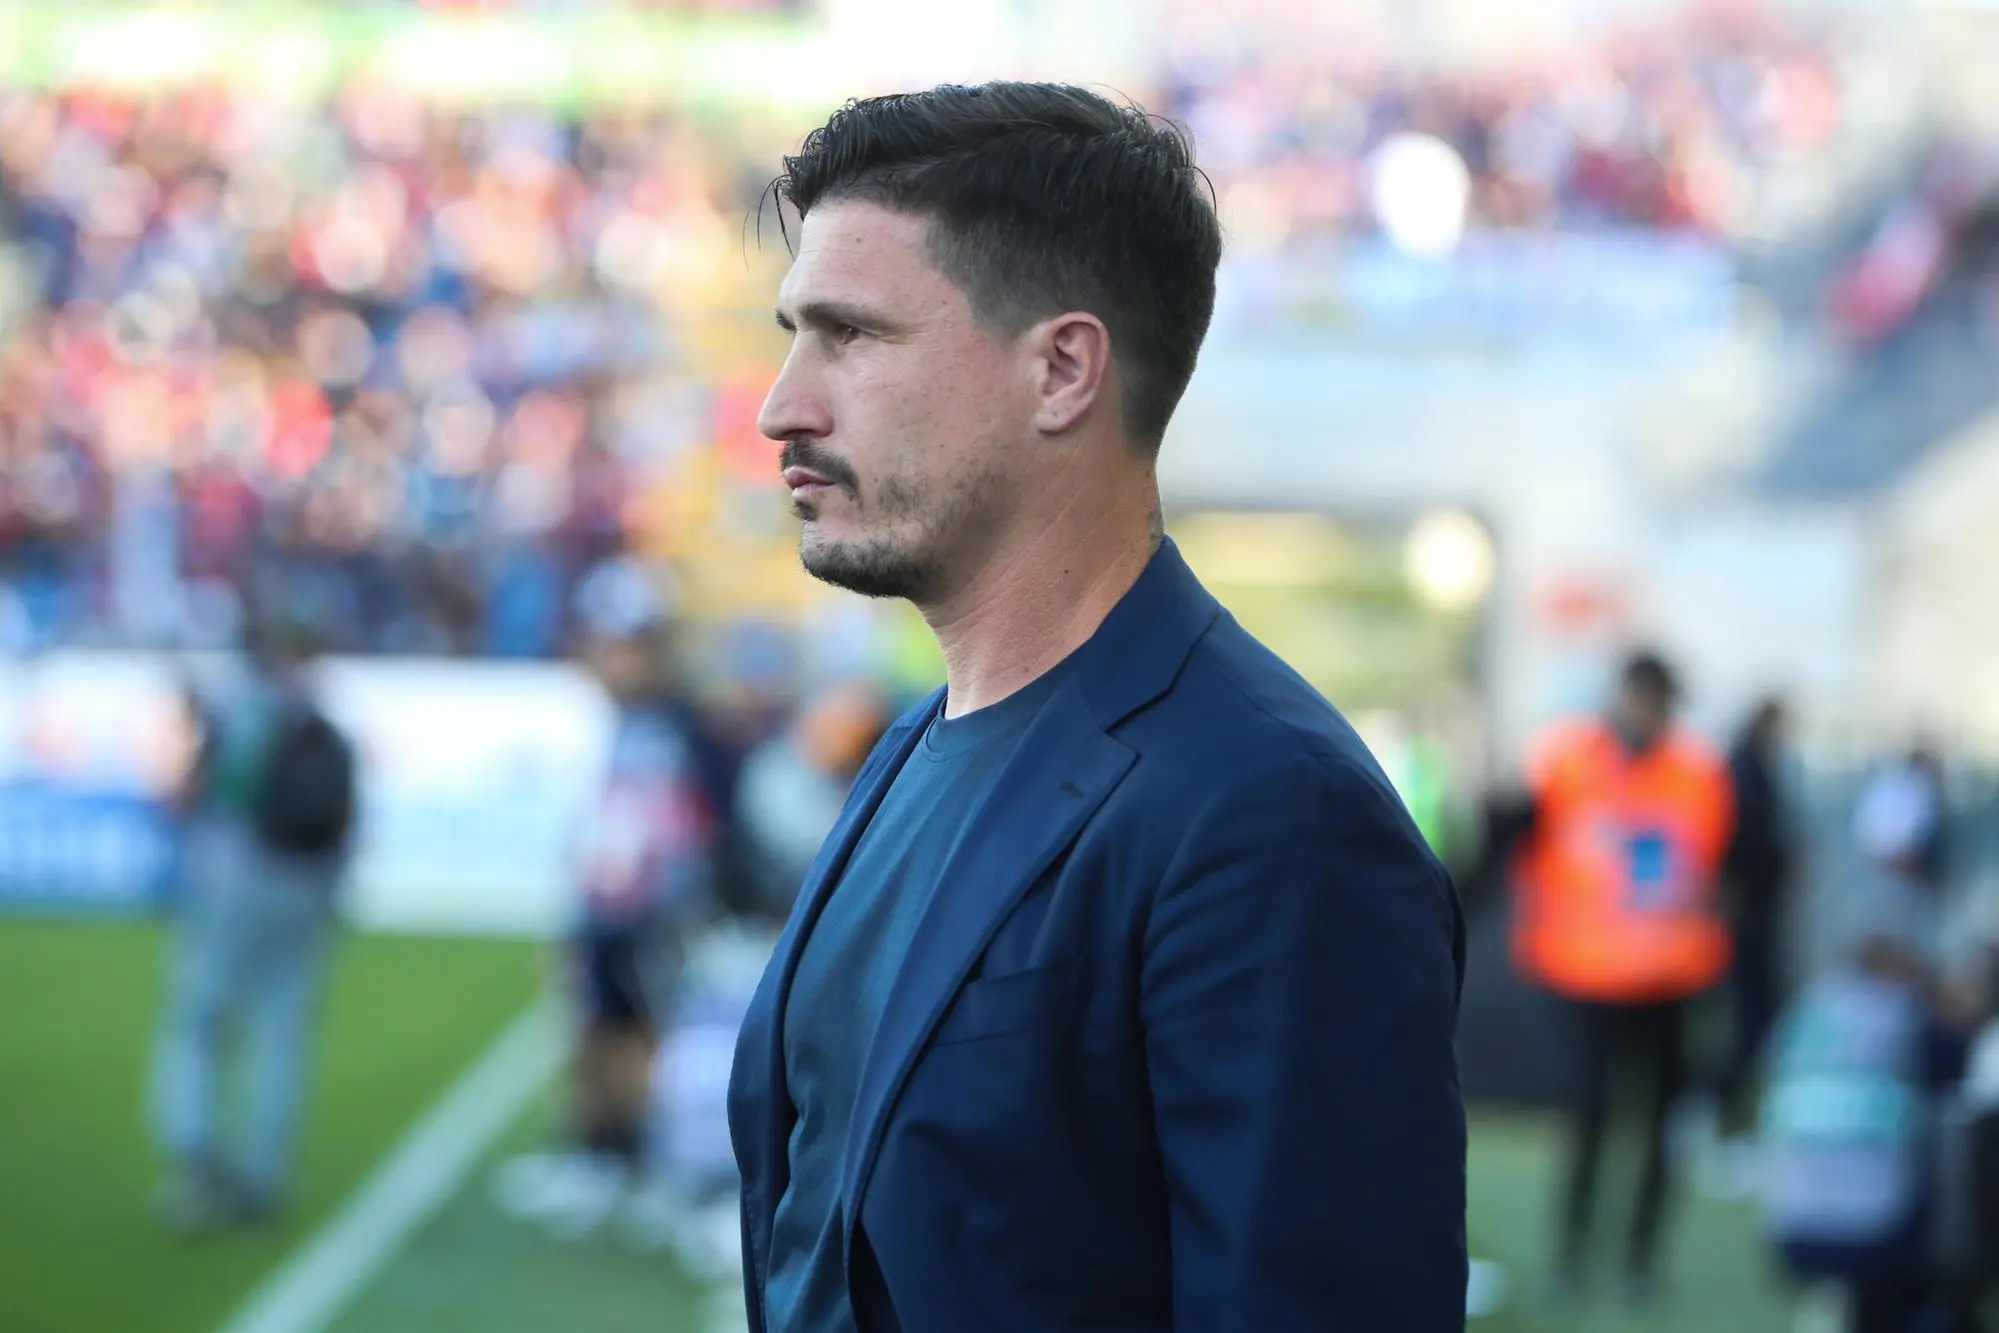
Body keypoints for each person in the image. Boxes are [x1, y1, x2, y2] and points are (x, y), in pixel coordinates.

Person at [726, 83, 1466, 1333]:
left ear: (1063, 369)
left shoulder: (1267, 815)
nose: (783, 404)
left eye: (849, 336)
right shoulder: (911, 745)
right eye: (793, 331)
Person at [1498, 650, 1735, 1307]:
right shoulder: (1566, 760)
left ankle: (1638, 1259)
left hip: (1669, 977)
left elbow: (1727, 865)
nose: (1640, 710)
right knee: (1587, 1122)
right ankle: (1570, 1254)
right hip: (1585, 974)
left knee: (1658, 1128)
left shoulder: (1697, 773)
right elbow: (1516, 835)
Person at [494, 556, 722, 1239]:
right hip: (606, 901)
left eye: (620, 643)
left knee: (646, 1039)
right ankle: (600, 1156)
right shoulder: (612, 717)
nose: (603, 656)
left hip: (654, 911)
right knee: (593, 1027)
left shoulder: (684, 724)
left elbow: (699, 822)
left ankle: (649, 1163)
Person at [150, 619, 356, 1232]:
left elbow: (192, 795)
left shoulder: (237, 712)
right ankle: (263, 1176)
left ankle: (194, 1161)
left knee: (201, 1019)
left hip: (235, 876)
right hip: (306, 887)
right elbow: (347, 818)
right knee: (282, 1031)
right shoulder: (320, 722)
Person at [1762, 765, 1980, 1333]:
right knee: (1953, 1161)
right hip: (1869, 1229)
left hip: (1788, 1226)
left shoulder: (1808, 1009)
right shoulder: (1909, 1018)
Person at [1713, 697, 1800, 1137]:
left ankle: (1728, 1113)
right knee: (1744, 1019)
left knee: (1755, 1019)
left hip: (1757, 918)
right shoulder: (1744, 771)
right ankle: (1716, 1111)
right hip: (1743, 922)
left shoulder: (1755, 770)